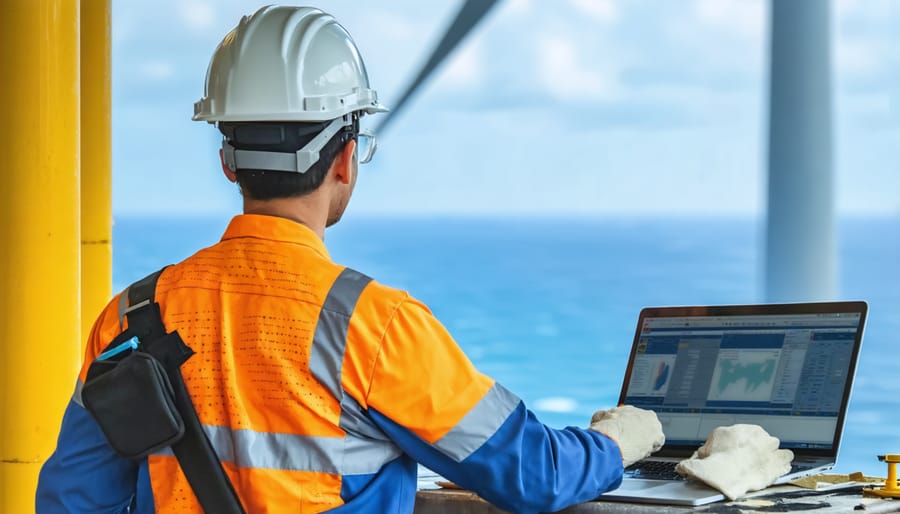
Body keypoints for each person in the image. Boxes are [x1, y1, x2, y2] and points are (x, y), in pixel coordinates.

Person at [36, 5, 664, 513]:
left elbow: (70, 500)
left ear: (228, 161)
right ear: (343, 160)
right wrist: (615, 442)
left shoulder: (129, 316)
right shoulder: (372, 326)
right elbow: (535, 476)